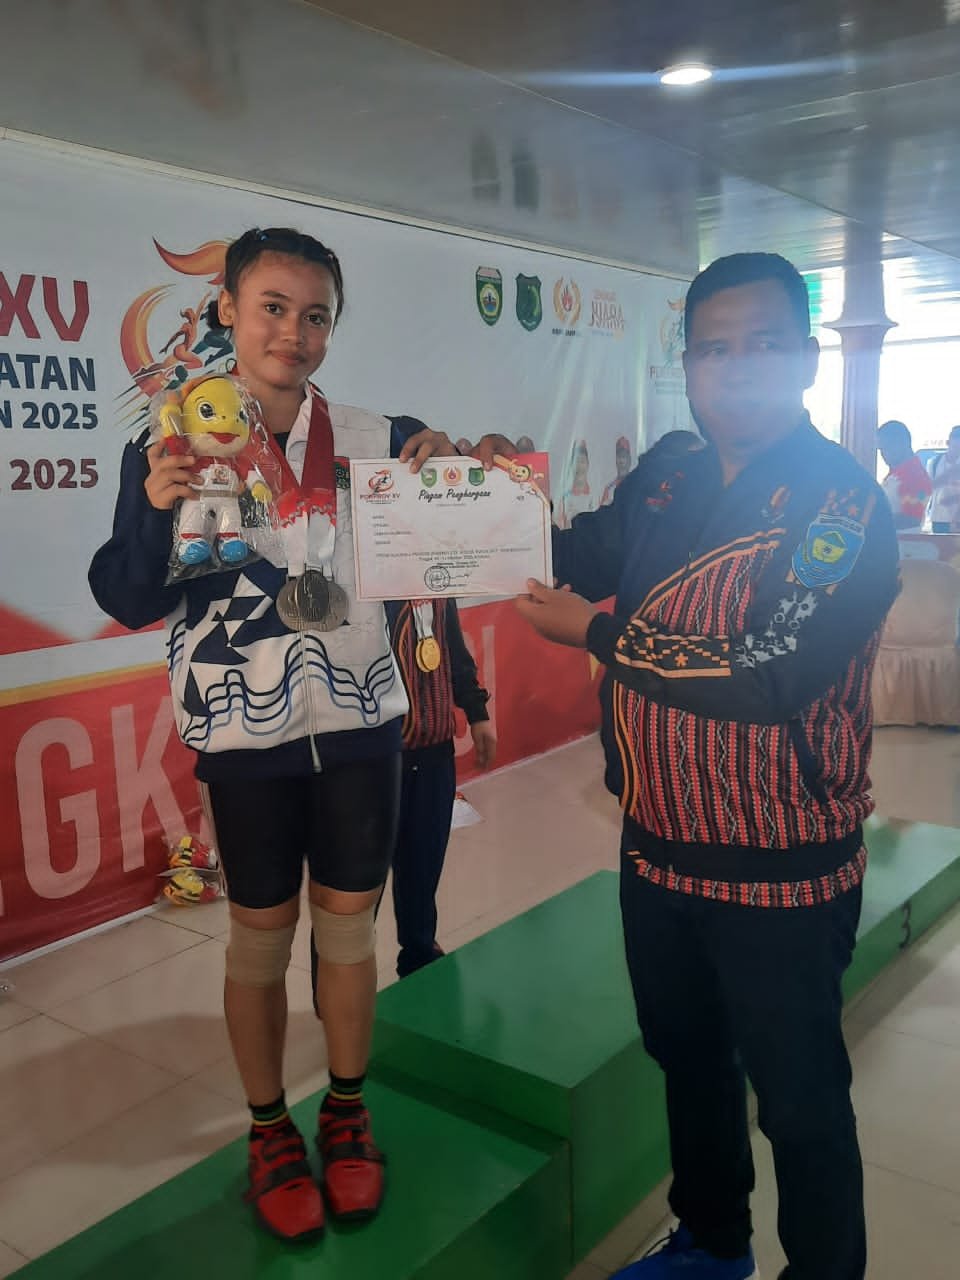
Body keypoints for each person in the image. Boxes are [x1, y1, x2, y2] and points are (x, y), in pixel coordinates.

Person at [481, 253, 899, 1279]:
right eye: (714, 348)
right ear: (689, 363)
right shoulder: (669, 476)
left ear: (806, 357)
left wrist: (599, 635)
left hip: (784, 857)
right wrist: (475, 490)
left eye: (764, 344)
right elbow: (570, 551)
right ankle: (713, 1243)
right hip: (659, 843)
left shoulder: (843, 504)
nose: (737, 367)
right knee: (687, 1056)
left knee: (799, 1098)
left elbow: (773, 670)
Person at [89, 227, 456, 1243]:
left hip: (362, 721)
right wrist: (154, 516)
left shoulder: (382, 437)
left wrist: (457, 465)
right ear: (228, 311)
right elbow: (125, 594)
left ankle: (346, 1109)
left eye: (316, 315)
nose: (294, 332)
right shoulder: (173, 440)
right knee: (260, 934)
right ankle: (267, 1128)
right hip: (242, 729)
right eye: (273, 308)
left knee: (349, 929)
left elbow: (454, 530)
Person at [877, 419, 932, 529]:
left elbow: (912, 519)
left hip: (905, 538)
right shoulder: (895, 474)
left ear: (903, 443)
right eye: (881, 449)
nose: (883, 454)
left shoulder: (915, 476)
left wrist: (873, 520)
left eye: (887, 447)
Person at [927, 424, 960, 532]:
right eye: (955, 446)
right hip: (938, 518)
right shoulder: (934, 463)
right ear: (948, 443)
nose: (957, 450)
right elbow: (928, 489)